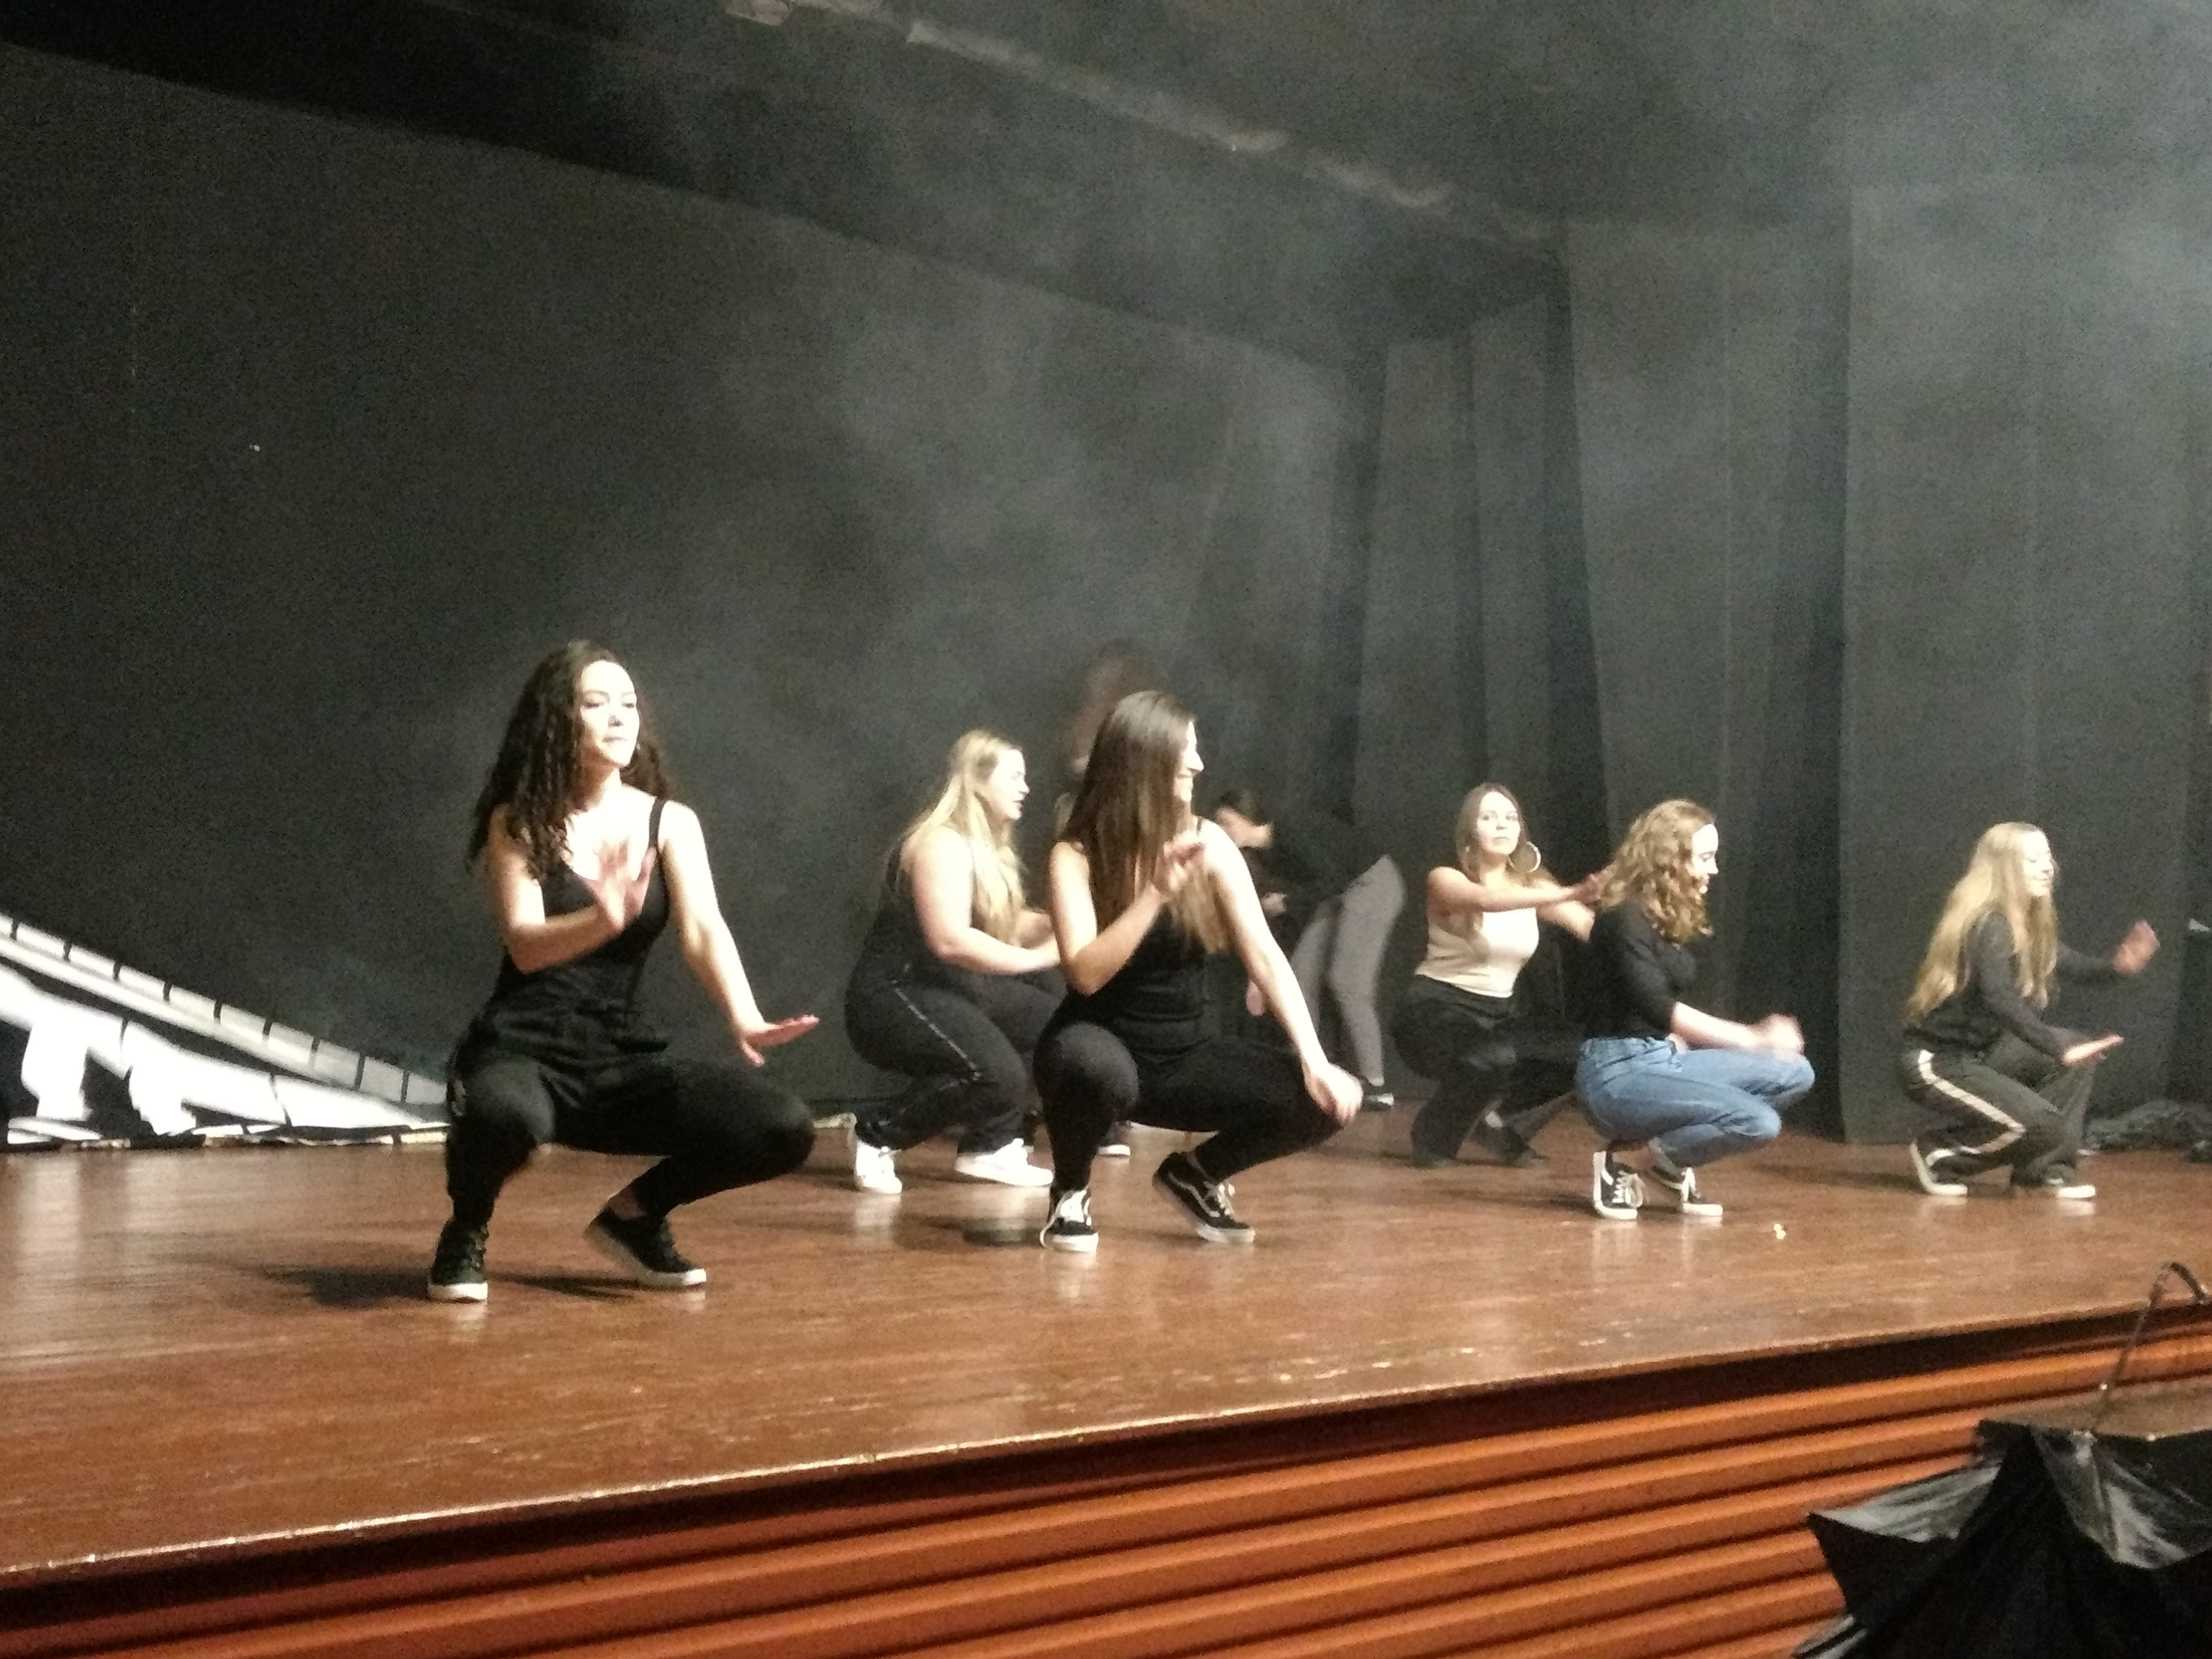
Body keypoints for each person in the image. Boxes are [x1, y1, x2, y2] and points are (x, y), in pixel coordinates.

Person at [427, 642, 818, 1302]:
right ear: (559, 721)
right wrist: (603, 920)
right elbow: (526, 946)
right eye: (596, 703)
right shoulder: (519, 820)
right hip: (524, 1052)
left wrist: (745, 1016)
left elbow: (704, 930)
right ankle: (466, 1228)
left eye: (629, 703)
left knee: (782, 1127)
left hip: (618, 1062)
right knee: (503, 1118)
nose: (620, 717)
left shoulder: (669, 822)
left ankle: (633, 1219)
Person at [1032, 691, 1363, 1251]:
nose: (1199, 763)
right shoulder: (1078, 853)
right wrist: (1156, 893)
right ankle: (1070, 1190)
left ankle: (1196, 1175)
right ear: (1147, 759)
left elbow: (1264, 954)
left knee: (1321, 1101)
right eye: (1187, 749)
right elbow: (1085, 975)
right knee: (1096, 1070)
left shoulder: (1208, 841)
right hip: (1097, 1044)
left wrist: (1315, 1061)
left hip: (1182, 1058)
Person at [842, 731, 1059, 1194]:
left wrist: (1070, 922)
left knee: (1053, 1025)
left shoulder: (984, 849)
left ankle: (992, 1145)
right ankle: (876, 1135)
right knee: (994, 1072)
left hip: (944, 990)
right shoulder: (941, 843)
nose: (1026, 788)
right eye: (1014, 777)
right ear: (977, 781)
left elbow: (1007, 922)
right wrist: (1037, 958)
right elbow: (950, 940)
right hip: (893, 996)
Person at [1577, 799, 1813, 1221]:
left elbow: (1651, 1009)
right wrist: (1754, 1037)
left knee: (1795, 1072)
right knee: (1758, 1122)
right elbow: (1658, 1008)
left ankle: (1666, 1163)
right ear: (1669, 858)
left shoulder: (1658, 916)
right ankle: (1626, 1162)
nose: (1714, 869)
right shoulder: (1622, 918)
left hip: (1660, 1059)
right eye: (1705, 857)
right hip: (1615, 1076)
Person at [1899, 822, 2156, 1201]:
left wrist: (2118, 968)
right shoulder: (1989, 923)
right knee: (2043, 1123)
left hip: (1983, 1055)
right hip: (1936, 1062)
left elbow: (2078, 967)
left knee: (2077, 1055)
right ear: (2004, 868)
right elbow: (1999, 998)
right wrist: (2056, 1046)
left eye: (2048, 857)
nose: (2048, 866)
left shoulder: (2028, 928)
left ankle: (2044, 1169)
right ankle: (1940, 1152)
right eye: (2033, 859)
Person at [1392, 784, 1599, 1169]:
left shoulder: (1535, 887)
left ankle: (1504, 1128)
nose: (1502, 826)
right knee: (1491, 1056)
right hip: (1433, 1013)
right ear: (1470, 831)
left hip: (1499, 1015)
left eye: (1511, 818)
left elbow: (1590, 928)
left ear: (1521, 829)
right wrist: (1566, 893)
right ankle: (1433, 1137)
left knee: (1588, 1052)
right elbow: (1486, 901)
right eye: (1488, 818)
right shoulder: (1446, 878)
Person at [1212, 788, 1405, 1109]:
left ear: (1247, 817)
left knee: (1347, 981)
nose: (1223, 831)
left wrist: (1287, 902)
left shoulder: (1288, 832)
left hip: (1371, 882)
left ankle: (1376, 1083)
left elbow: (1331, 876)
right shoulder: (1264, 854)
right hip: (1336, 893)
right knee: (1300, 978)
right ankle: (1310, 1071)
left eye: (1226, 822)